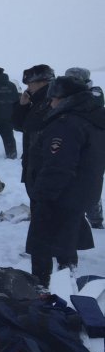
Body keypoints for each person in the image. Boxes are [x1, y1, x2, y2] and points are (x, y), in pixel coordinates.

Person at [25, 75, 105, 286]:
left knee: (42, 245)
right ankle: (67, 283)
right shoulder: (92, 118)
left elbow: (58, 166)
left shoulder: (67, 123)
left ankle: (41, 288)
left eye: (53, 99)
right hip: (80, 194)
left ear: (65, 98)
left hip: (60, 196)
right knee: (66, 243)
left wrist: (42, 196)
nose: (50, 103)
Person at [65, 67, 104, 229]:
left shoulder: (93, 94)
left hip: (92, 145)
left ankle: (95, 218)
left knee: (90, 182)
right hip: (75, 142)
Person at [12, 64, 55, 197]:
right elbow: (20, 126)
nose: (28, 87)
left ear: (42, 82)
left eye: (30, 83)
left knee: (42, 201)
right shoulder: (38, 102)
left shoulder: (50, 103)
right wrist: (22, 106)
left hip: (41, 166)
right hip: (33, 163)